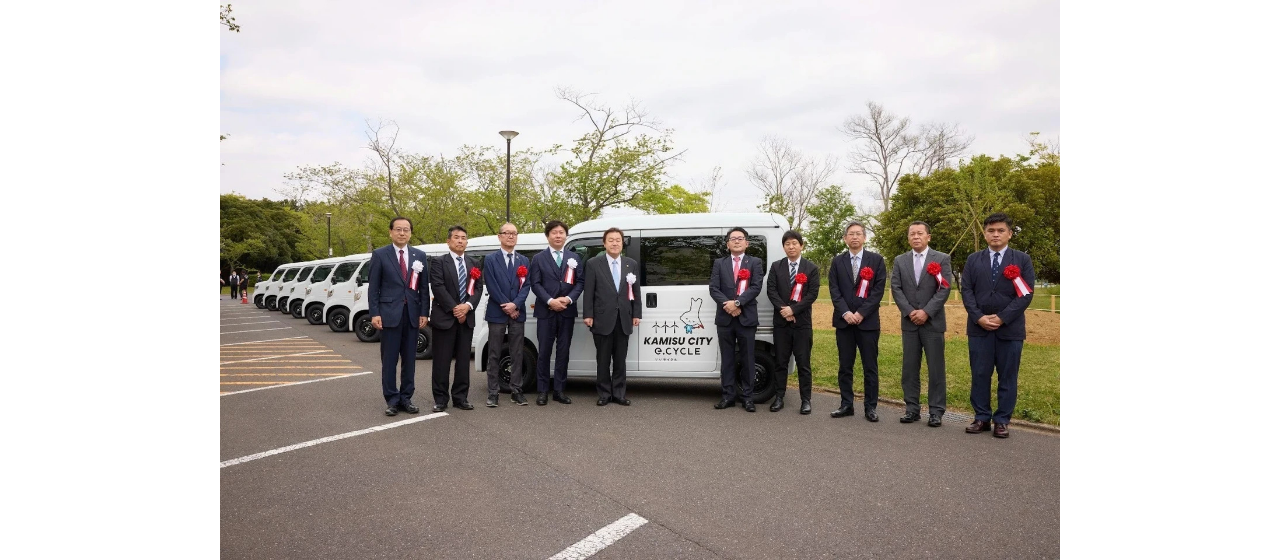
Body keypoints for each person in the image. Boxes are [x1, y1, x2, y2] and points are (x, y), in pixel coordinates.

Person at [960, 213, 1035, 439]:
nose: (995, 234)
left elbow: (1026, 294)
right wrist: (979, 317)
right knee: (980, 374)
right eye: (991, 231)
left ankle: (1002, 420)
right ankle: (981, 417)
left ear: (1009, 233)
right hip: (979, 329)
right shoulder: (973, 260)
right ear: (985, 234)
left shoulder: (1022, 260)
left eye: (1000, 230)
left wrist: (1002, 317)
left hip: (1010, 331)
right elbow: (967, 291)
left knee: (1008, 376)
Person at [890, 221, 952, 427]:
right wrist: (910, 312)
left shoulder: (941, 259)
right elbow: (896, 288)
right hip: (909, 324)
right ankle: (912, 408)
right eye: (912, 234)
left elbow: (944, 288)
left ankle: (936, 411)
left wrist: (926, 312)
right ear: (908, 238)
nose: (916, 237)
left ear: (928, 237)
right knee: (909, 368)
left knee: (935, 369)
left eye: (920, 233)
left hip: (932, 323)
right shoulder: (900, 261)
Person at [368, 217, 432, 417]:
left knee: (410, 360)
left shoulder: (419, 255)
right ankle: (392, 399)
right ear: (391, 232)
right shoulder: (380, 255)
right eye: (398, 229)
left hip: (412, 315)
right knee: (389, 360)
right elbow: (374, 288)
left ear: (410, 233)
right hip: (388, 315)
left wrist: (424, 312)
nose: (402, 233)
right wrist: (375, 313)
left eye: (406, 230)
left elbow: (423, 287)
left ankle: (406, 397)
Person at [828, 221, 886, 421]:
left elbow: (877, 291)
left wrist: (861, 313)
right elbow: (834, 290)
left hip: (868, 324)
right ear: (845, 238)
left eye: (858, 233)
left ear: (864, 237)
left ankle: (871, 407)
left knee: (870, 366)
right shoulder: (837, 262)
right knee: (845, 366)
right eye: (850, 234)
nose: (854, 237)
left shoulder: (876, 260)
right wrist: (845, 313)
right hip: (844, 323)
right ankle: (846, 404)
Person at [582, 227, 641, 406]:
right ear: (604, 243)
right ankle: (604, 394)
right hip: (601, 318)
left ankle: (619, 393)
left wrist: (636, 313)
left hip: (624, 318)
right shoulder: (593, 263)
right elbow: (589, 292)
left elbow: (635, 292)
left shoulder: (631, 264)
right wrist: (588, 314)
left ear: (622, 243)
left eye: (618, 240)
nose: (615, 243)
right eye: (611, 240)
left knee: (620, 360)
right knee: (603, 359)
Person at [708, 227, 765, 412]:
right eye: (733, 239)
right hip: (725, 318)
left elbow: (756, 286)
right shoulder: (719, 263)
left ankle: (748, 398)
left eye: (740, 238)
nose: (737, 241)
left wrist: (738, 303)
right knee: (727, 359)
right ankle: (728, 396)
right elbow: (713, 288)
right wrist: (728, 305)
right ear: (727, 244)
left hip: (746, 318)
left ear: (747, 243)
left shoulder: (755, 262)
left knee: (748, 358)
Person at [429, 225, 484, 413]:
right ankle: (440, 399)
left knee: (463, 361)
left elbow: (478, 289)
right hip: (445, 317)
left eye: (463, 238)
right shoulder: (438, 262)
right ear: (449, 241)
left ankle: (461, 397)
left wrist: (467, 307)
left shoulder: (474, 263)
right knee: (442, 361)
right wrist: (455, 308)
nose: (460, 240)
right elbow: (438, 287)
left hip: (466, 319)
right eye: (456, 237)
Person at [528, 220, 584, 406]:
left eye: (561, 232)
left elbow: (580, 283)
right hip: (546, 311)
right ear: (548, 236)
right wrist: (551, 301)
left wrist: (567, 300)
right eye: (554, 233)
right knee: (544, 351)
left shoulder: (574, 257)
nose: (558, 235)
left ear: (566, 236)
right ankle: (543, 390)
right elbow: (535, 284)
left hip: (567, 311)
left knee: (563, 351)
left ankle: (559, 390)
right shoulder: (538, 258)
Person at [765, 230, 820, 414]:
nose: (791, 247)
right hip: (782, 324)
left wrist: (794, 310)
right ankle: (779, 397)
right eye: (787, 244)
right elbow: (771, 291)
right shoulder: (776, 267)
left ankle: (806, 400)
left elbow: (812, 294)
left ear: (801, 245)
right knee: (780, 362)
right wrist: (784, 310)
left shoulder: (811, 268)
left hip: (802, 324)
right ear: (783, 247)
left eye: (794, 243)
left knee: (804, 363)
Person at [482, 223, 533, 407]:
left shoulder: (524, 261)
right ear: (499, 236)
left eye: (514, 234)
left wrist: (516, 304)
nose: (511, 236)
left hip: (517, 313)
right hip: (498, 312)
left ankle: (516, 391)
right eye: (507, 233)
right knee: (494, 352)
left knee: (517, 353)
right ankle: (493, 392)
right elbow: (492, 284)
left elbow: (526, 285)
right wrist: (507, 305)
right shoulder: (490, 259)